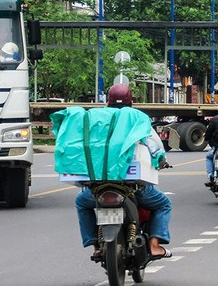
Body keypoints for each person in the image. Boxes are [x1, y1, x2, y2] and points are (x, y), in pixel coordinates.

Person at [73, 84, 173, 261]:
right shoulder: (136, 118)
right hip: (133, 188)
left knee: (81, 202)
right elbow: (153, 145)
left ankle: (96, 245)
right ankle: (155, 246)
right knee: (163, 204)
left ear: (107, 102)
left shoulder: (96, 120)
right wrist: (161, 160)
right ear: (132, 102)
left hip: (99, 186)